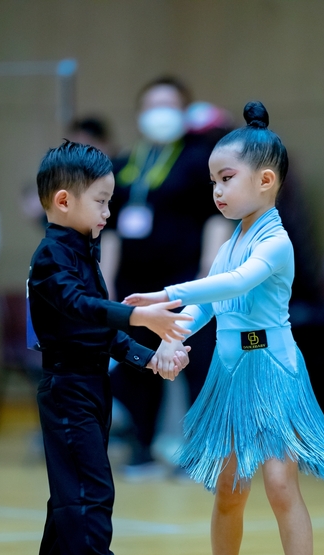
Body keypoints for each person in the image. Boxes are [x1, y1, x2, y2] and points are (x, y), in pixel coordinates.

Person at [123, 101, 324, 555]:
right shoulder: (232, 241)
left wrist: (168, 293)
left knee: (279, 483)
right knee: (229, 488)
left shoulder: (275, 242)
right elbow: (210, 305)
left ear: (265, 180)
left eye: (226, 178)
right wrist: (172, 339)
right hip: (231, 375)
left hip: (272, 371)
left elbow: (233, 284)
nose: (217, 191)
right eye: (213, 182)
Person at [26, 140, 191, 555]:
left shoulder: (81, 251)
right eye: (100, 201)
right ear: (63, 201)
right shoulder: (52, 257)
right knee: (89, 493)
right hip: (68, 389)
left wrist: (150, 358)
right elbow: (81, 307)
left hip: (90, 387)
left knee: (72, 495)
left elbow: (100, 328)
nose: (107, 212)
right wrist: (139, 317)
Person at [100, 76, 233, 478]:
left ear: (184, 112)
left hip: (184, 281)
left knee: (196, 365)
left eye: (169, 105)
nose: (160, 114)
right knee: (138, 365)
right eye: (152, 106)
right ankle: (141, 449)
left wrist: (207, 276)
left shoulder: (198, 161)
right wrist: (105, 282)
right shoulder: (125, 165)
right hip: (135, 287)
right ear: (141, 114)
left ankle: (204, 453)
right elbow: (111, 229)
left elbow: (216, 218)